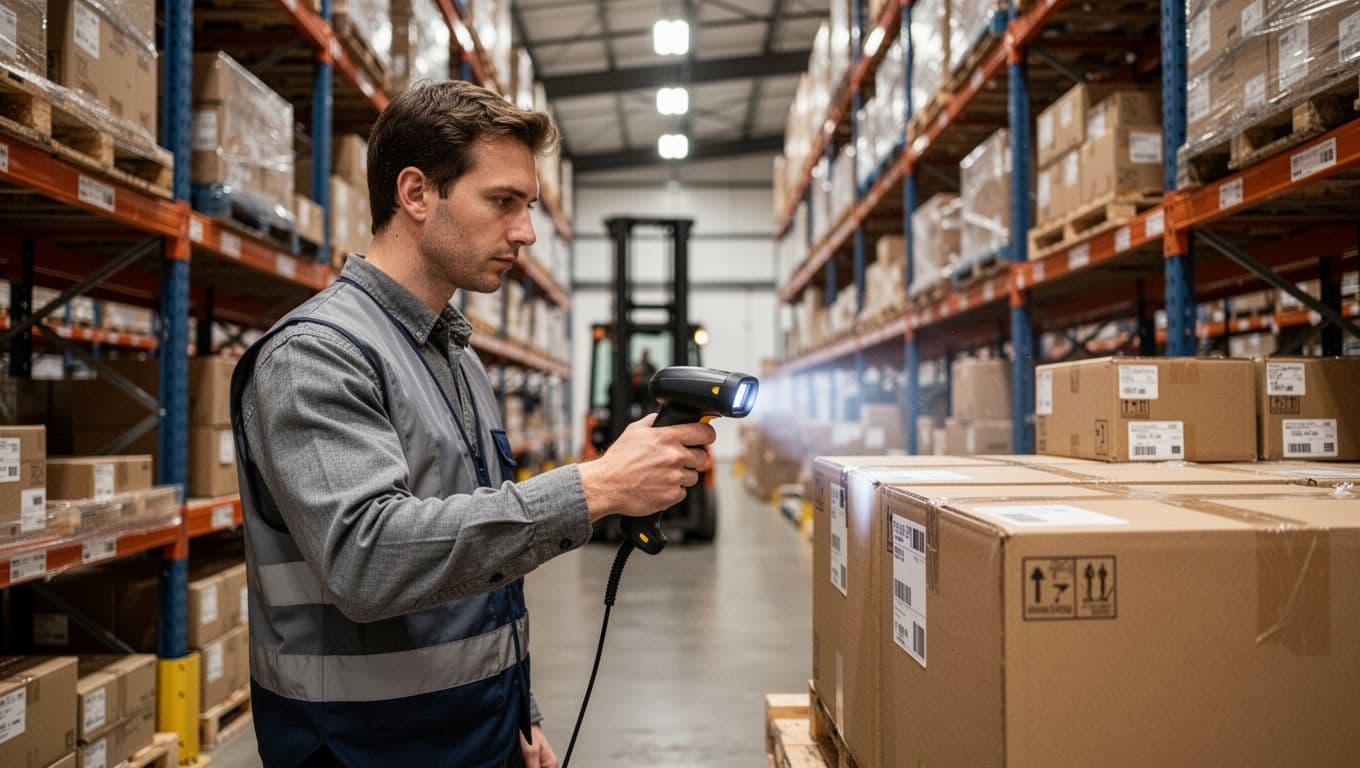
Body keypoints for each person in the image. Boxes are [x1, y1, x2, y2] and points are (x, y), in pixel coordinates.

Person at [229, 80, 716, 768]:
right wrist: (595, 488)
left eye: (530, 206)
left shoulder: (454, 356)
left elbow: (480, 563)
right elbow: (365, 561)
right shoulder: (317, 355)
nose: (526, 231)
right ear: (417, 194)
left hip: (477, 734)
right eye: (503, 203)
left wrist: (522, 710)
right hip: (364, 748)